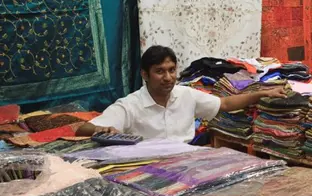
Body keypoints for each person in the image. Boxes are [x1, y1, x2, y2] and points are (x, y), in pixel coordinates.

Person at [76, 46, 286, 142]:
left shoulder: (186, 94)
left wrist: (261, 93)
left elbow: (225, 104)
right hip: (149, 167)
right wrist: (103, 129)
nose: (168, 77)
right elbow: (83, 128)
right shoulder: (131, 105)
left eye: (171, 70)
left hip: (187, 162)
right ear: (145, 74)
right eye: (159, 71)